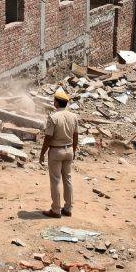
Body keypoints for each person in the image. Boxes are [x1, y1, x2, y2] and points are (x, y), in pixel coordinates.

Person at [39, 89, 78, 218]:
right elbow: (75, 135)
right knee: (68, 179)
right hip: (69, 150)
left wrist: (42, 153)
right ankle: (68, 208)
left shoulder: (53, 117)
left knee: (55, 181)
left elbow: (48, 137)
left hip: (56, 151)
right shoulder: (73, 116)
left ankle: (55, 210)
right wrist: (74, 150)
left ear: (56, 102)